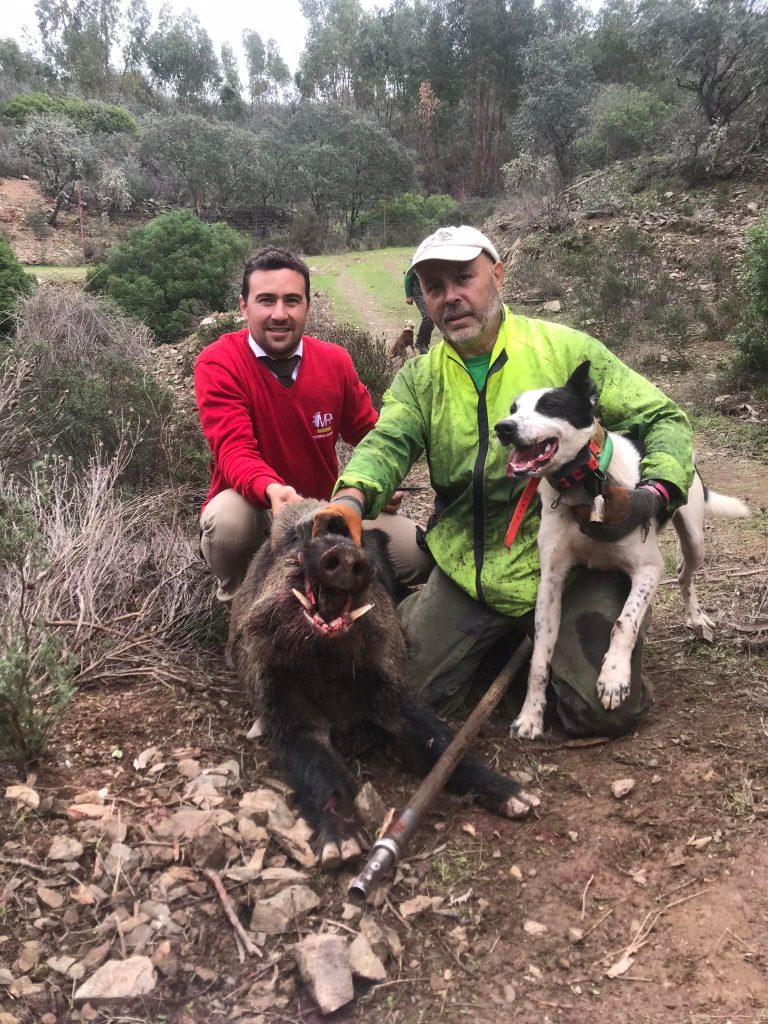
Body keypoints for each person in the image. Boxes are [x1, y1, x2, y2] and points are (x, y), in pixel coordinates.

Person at [314, 226, 695, 737]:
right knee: (400, 700)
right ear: (423, 300)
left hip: (580, 564)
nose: (450, 296)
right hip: (472, 567)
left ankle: (547, 649)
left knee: (603, 713)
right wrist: (350, 500)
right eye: (433, 286)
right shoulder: (420, 378)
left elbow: (664, 418)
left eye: (463, 278)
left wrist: (657, 493)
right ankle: (471, 633)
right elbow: (387, 443)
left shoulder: (563, 349)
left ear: (497, 275)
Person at [194, 246, 432, 601]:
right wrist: (273, 491)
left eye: (292, 300)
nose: (279, 314)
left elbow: (371, 434)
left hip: (327, 510)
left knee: (420, 556)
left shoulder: (334, 361)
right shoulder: (219, 362)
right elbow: (233, 450)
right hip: (260, 511)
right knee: (229, 523)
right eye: (265, 300)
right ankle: (242, 602)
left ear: (307, 305)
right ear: (244, 306)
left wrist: (379, 484)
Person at [404, 266, 435, 354]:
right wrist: (408, 295)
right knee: (428, 317)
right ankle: (420, 342)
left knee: (433, 317)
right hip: (417, 290)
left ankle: (425, 344)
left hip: (429, 290)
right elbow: (408, 276)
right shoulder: (418, 259)